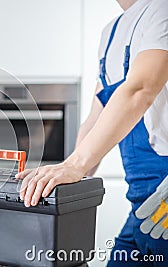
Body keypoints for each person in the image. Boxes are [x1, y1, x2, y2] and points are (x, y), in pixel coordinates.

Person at [17, 0, 168, 265]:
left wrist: (74, 165)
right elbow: (95, 118)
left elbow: (140, 89)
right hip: (143, 201)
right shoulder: (111, 33)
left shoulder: (162, 10)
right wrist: (60, 181)